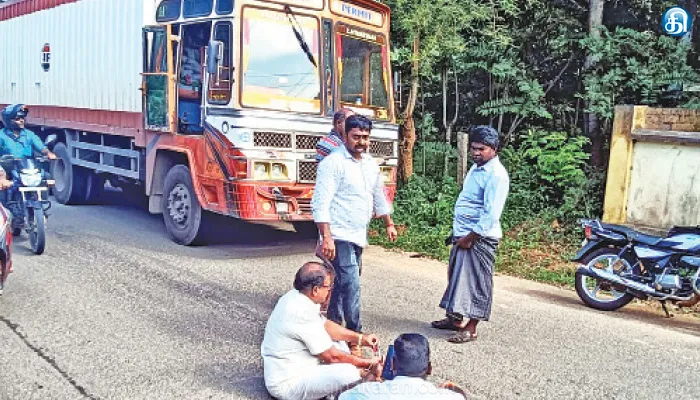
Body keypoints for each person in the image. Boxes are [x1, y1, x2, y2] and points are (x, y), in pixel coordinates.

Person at [312, 115, 397, 338]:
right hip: (338, 234)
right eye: (356, 137)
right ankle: (355, 334)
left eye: (365, 137)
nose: (361, 142)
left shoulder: (369, 164)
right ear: (345, 135)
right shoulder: (332, 163)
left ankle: (331, 327)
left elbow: (379, 194)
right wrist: (326, 237)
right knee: (351, 283)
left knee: (342, 283)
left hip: (358, 233)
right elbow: (320, 202)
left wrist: (389, 223)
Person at [431, 126, 509, 343]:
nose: (475, 153)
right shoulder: (477, 168)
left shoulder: (496, 175)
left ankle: (471, 328)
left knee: (476, 283)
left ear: (493, 149)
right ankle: (454, 320)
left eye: (481, 149)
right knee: (456, 278)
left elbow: (491, 213)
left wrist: (471, 237)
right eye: (473, 148)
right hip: (463, 234)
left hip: (479, 237)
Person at [261, 261, 383, 400]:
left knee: (341, 342)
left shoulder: (299, 296)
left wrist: (360, 338)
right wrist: (368, 364)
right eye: (328, 287)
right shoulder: (300, 313)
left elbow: (325, 325)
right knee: (349, 372)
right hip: (289, 382)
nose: (330, 291)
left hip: (300, 365)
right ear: (315, 290)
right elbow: (332, 356)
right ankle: (338, 393)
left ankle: (333, 387)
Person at [338, 333, 466, 399]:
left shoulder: (364, 393)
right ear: (429, 368)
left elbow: (342, 397)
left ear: (392, 364)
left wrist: (369, 378)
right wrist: (453, 389)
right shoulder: (447, 397)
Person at [0, 104, 56, 202]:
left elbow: (40, 146)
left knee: (45, 176)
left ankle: (41, 203)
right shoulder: (1, 135)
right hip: (7, 167)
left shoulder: (29, 134)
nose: (22, 120)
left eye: (22, 118)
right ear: (9, 121)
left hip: (26, 166)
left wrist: (48, 153)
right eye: (18, 118)